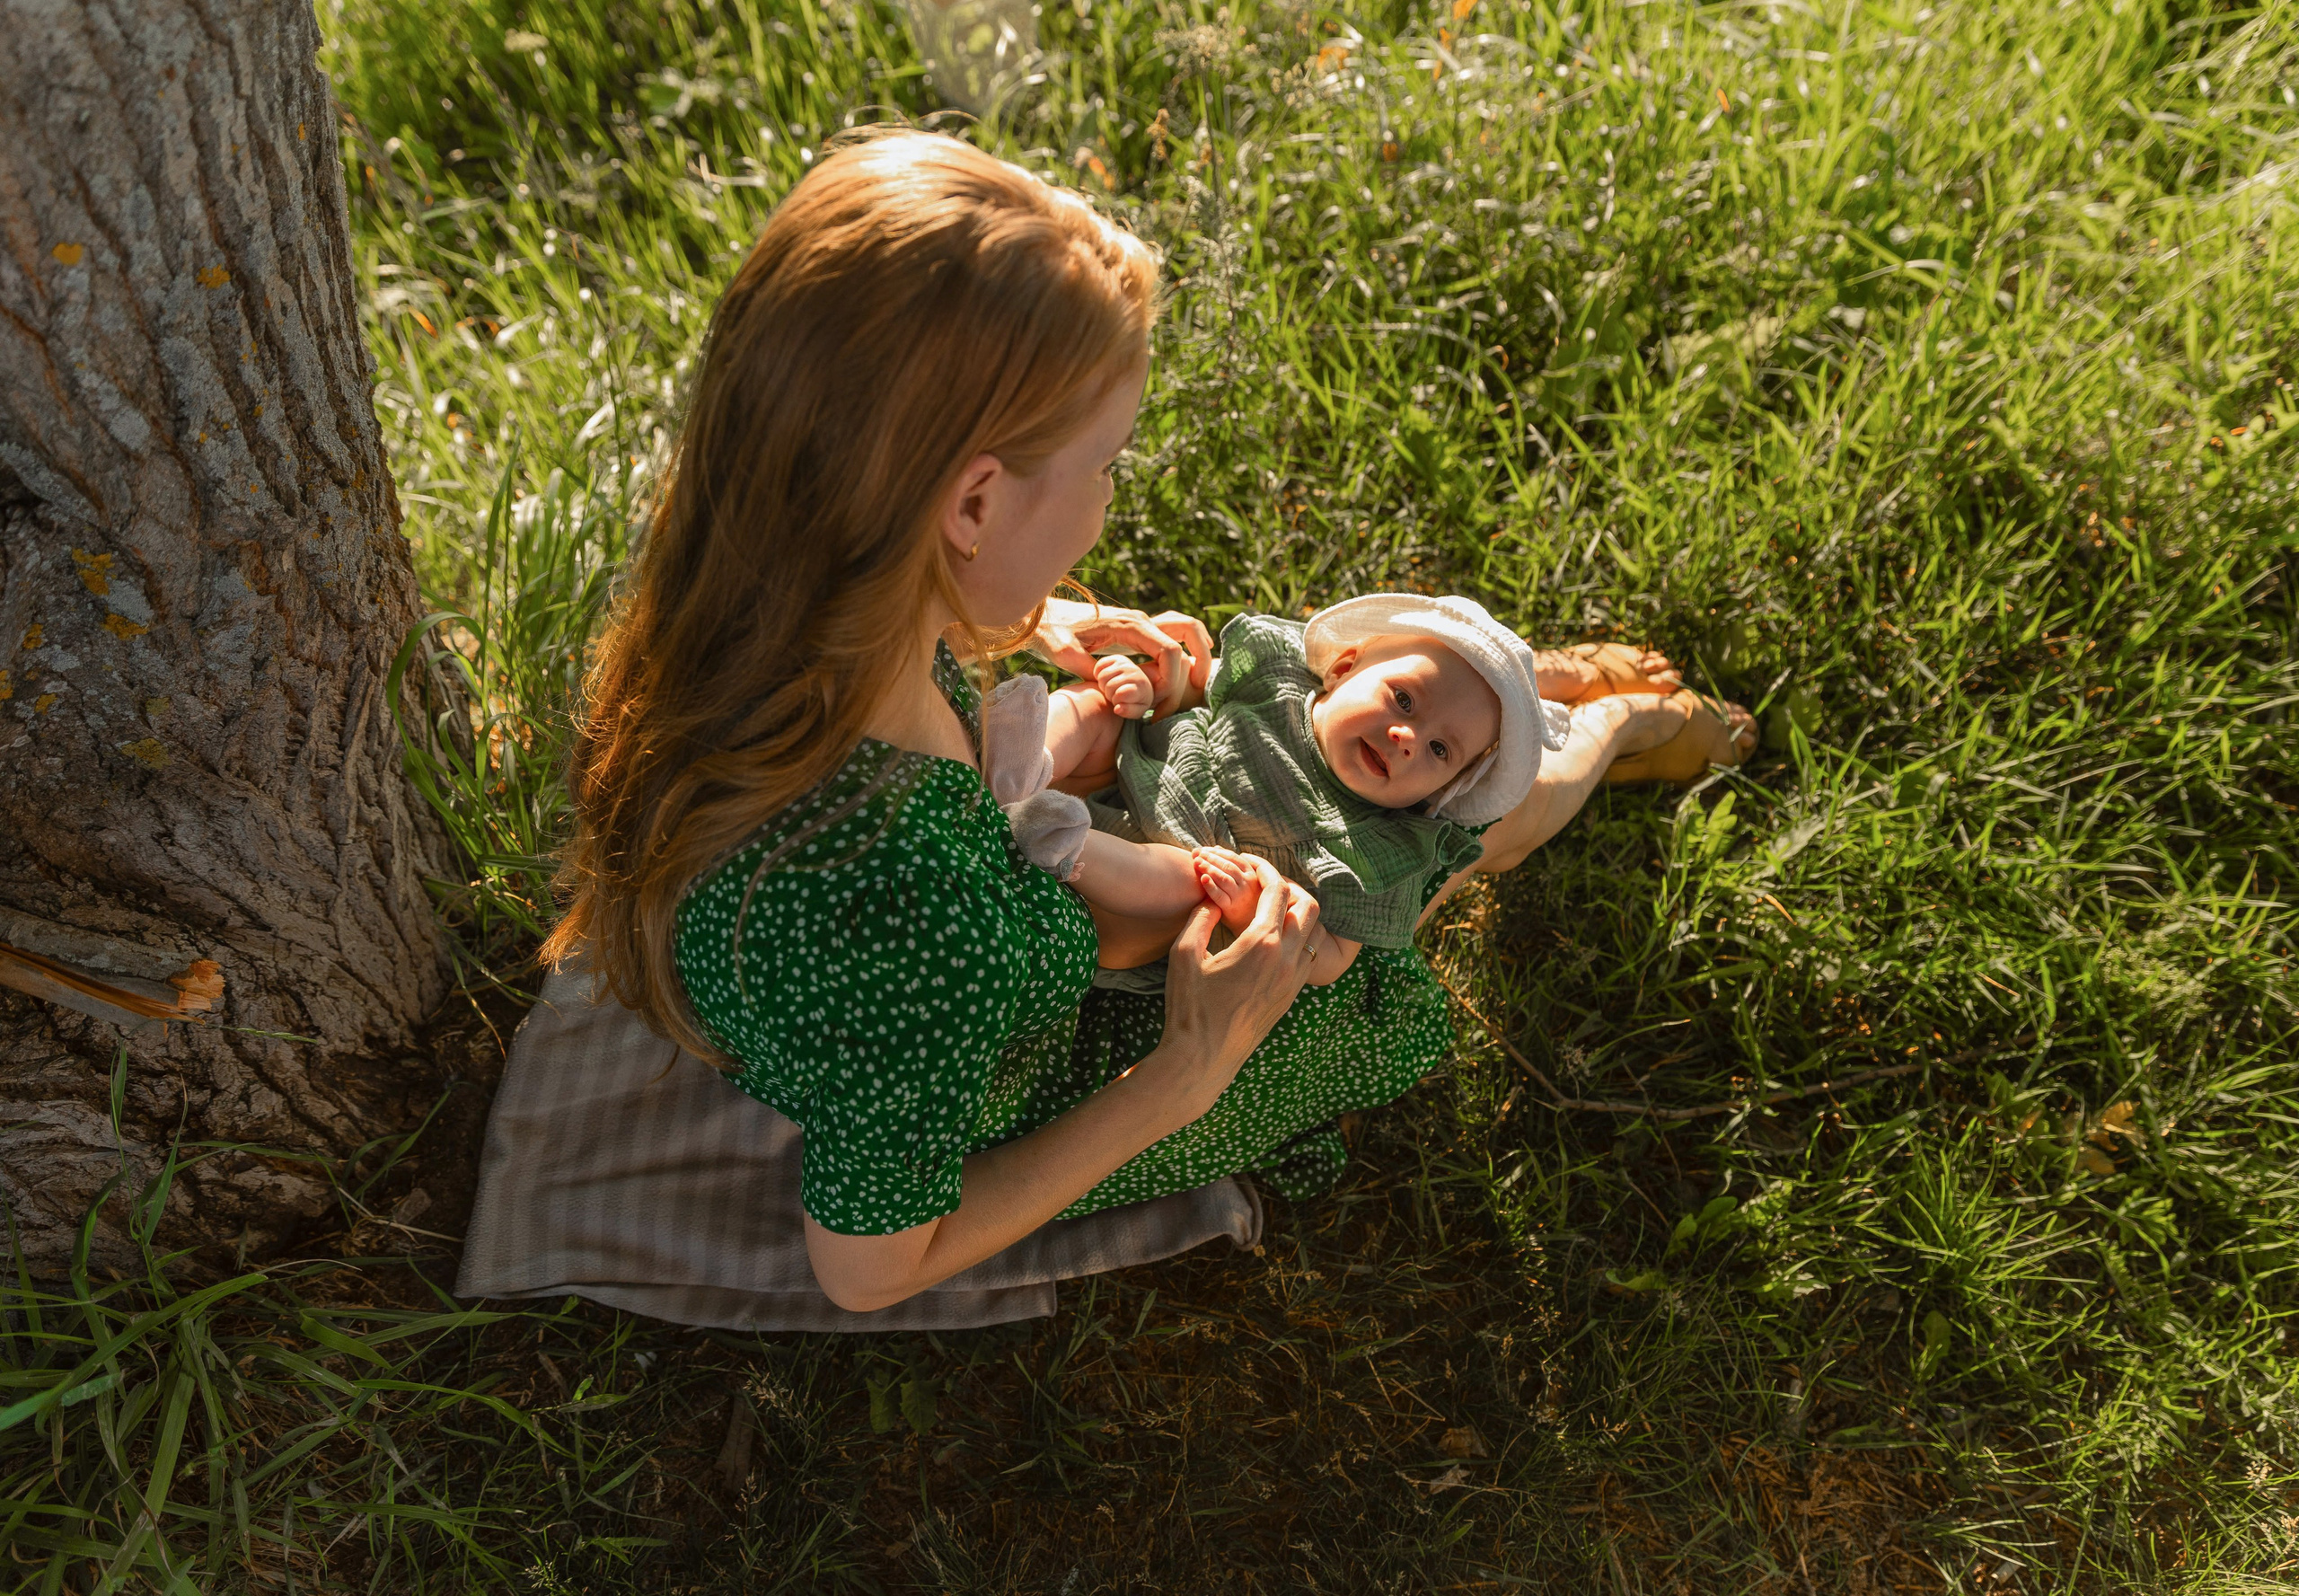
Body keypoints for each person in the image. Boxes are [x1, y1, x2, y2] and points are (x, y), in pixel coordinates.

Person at [540, 127, 1749, 1316]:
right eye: (1107, 464)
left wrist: (1028, 616)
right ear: (967, 500)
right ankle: (1590, 730)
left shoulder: (727, 609)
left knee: (1318, 748)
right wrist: (1186, 1071)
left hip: (943, 933)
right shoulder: (923, 916)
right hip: (1044, 1061)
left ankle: (1506, 692)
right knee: (1433, 857)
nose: (1109, 504)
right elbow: (870, 1269)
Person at [991, 595, 1742, 983]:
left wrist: (1262, 912)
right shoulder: (1277, 681)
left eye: (1439, 751)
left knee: (1184, 886)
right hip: (1141, 780)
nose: (1410, 738)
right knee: (1091, 709)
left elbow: (1328, 955)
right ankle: (1022, 755)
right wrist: (1160, 691)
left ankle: (1618, 722)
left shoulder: (1385, 841)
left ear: (1443, 790)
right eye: (1404, 704)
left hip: (1189, 865)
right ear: (1343, 667)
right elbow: (1190, 700)